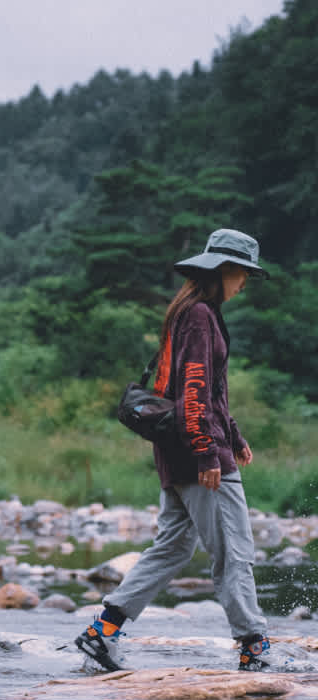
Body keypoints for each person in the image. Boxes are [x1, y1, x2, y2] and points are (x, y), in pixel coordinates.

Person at [75, 228, 272, 673]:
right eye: (242, 274)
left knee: (174, 547)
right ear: (224, 270)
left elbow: (204, 387)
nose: (243, 284)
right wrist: (209, 453)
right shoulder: (200, 315)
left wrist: (234, 434)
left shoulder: (189, 311)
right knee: (234, 553)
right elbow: (197, 389)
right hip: (200, 453)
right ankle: (253, 646)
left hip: (175, 449)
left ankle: (101, 632)